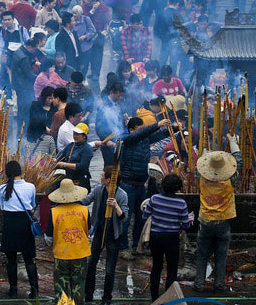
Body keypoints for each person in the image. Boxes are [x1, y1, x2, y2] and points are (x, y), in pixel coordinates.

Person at [118, 117, 175, 260]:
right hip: (127, 185)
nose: (143, 131)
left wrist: (173, 128)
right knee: (125, 217)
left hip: (140, 184)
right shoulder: (128, 139)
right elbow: (141, 134)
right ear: (131, 130)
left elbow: (160, 135)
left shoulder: (144, 139)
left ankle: (137, 246)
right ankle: (123, 248)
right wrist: (157, 124)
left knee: (141, 217)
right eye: (140, 128)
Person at [193, 135, 242, 293]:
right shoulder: (229, 179)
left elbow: (199, 167)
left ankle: (199, 284)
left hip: (205, 222)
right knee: (221, 256)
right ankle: (219, 284)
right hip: (223, 223)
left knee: (202, 255)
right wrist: (233, 143)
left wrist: (205, 155)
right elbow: (238, 162)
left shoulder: (202, 178)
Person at [80, 166, 128, 305]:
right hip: (99, 232)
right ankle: (88, 295)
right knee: (91, 264)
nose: (100, 177)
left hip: (113, 235)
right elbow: (86, 201)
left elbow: (124, 218)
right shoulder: (98, 190)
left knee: (109, 270)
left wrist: (116, 206)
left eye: (102, 175)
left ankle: (107, 298)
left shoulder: (121, 195)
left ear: (108, 180)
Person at [143, 174, 193, 301]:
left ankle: (154, 297)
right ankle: (169, 298)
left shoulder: (154, 199)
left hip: (156, 237)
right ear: (177, 188)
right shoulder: (181, 203)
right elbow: (186, 225)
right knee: (172, 269)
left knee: (157, 267)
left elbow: (145, 216)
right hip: (171, 238)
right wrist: (190, 221)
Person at [0, 160, 38, 298]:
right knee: (29, 259)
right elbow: (32, 205)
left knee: (11, 260)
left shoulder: (2, 188)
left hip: (10, 224)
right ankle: (34, 291)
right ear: (20, 172)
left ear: (7, 173)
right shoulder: (30, 187)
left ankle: (13, 290)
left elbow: (2, 207)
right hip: (25, 225)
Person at [47, 179, 90, 305]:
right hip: (80, 254)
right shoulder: (84, 210)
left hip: (61, 255)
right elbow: (88, 230)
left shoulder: (53, 212)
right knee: (79, 287)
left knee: (61, 289)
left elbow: (49, 237)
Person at [56, 123, 93, 190]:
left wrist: (64, 164)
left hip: (81, 181)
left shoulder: (87, 149)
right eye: (74, 133)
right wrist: (54, 160)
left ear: (84, 136)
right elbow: (60, 156)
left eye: (77, 134)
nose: (75, 136)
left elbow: (82, 166)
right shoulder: (70, 145)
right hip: (69, 179)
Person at [95, 83, 125, 167]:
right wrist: (106, 140)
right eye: (118, 96)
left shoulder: (119, 103)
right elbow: (99, 127)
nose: (119, 98)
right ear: (112, 92)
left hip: (119, 140)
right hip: (108, 143)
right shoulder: (103, 106)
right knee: (109, 167)